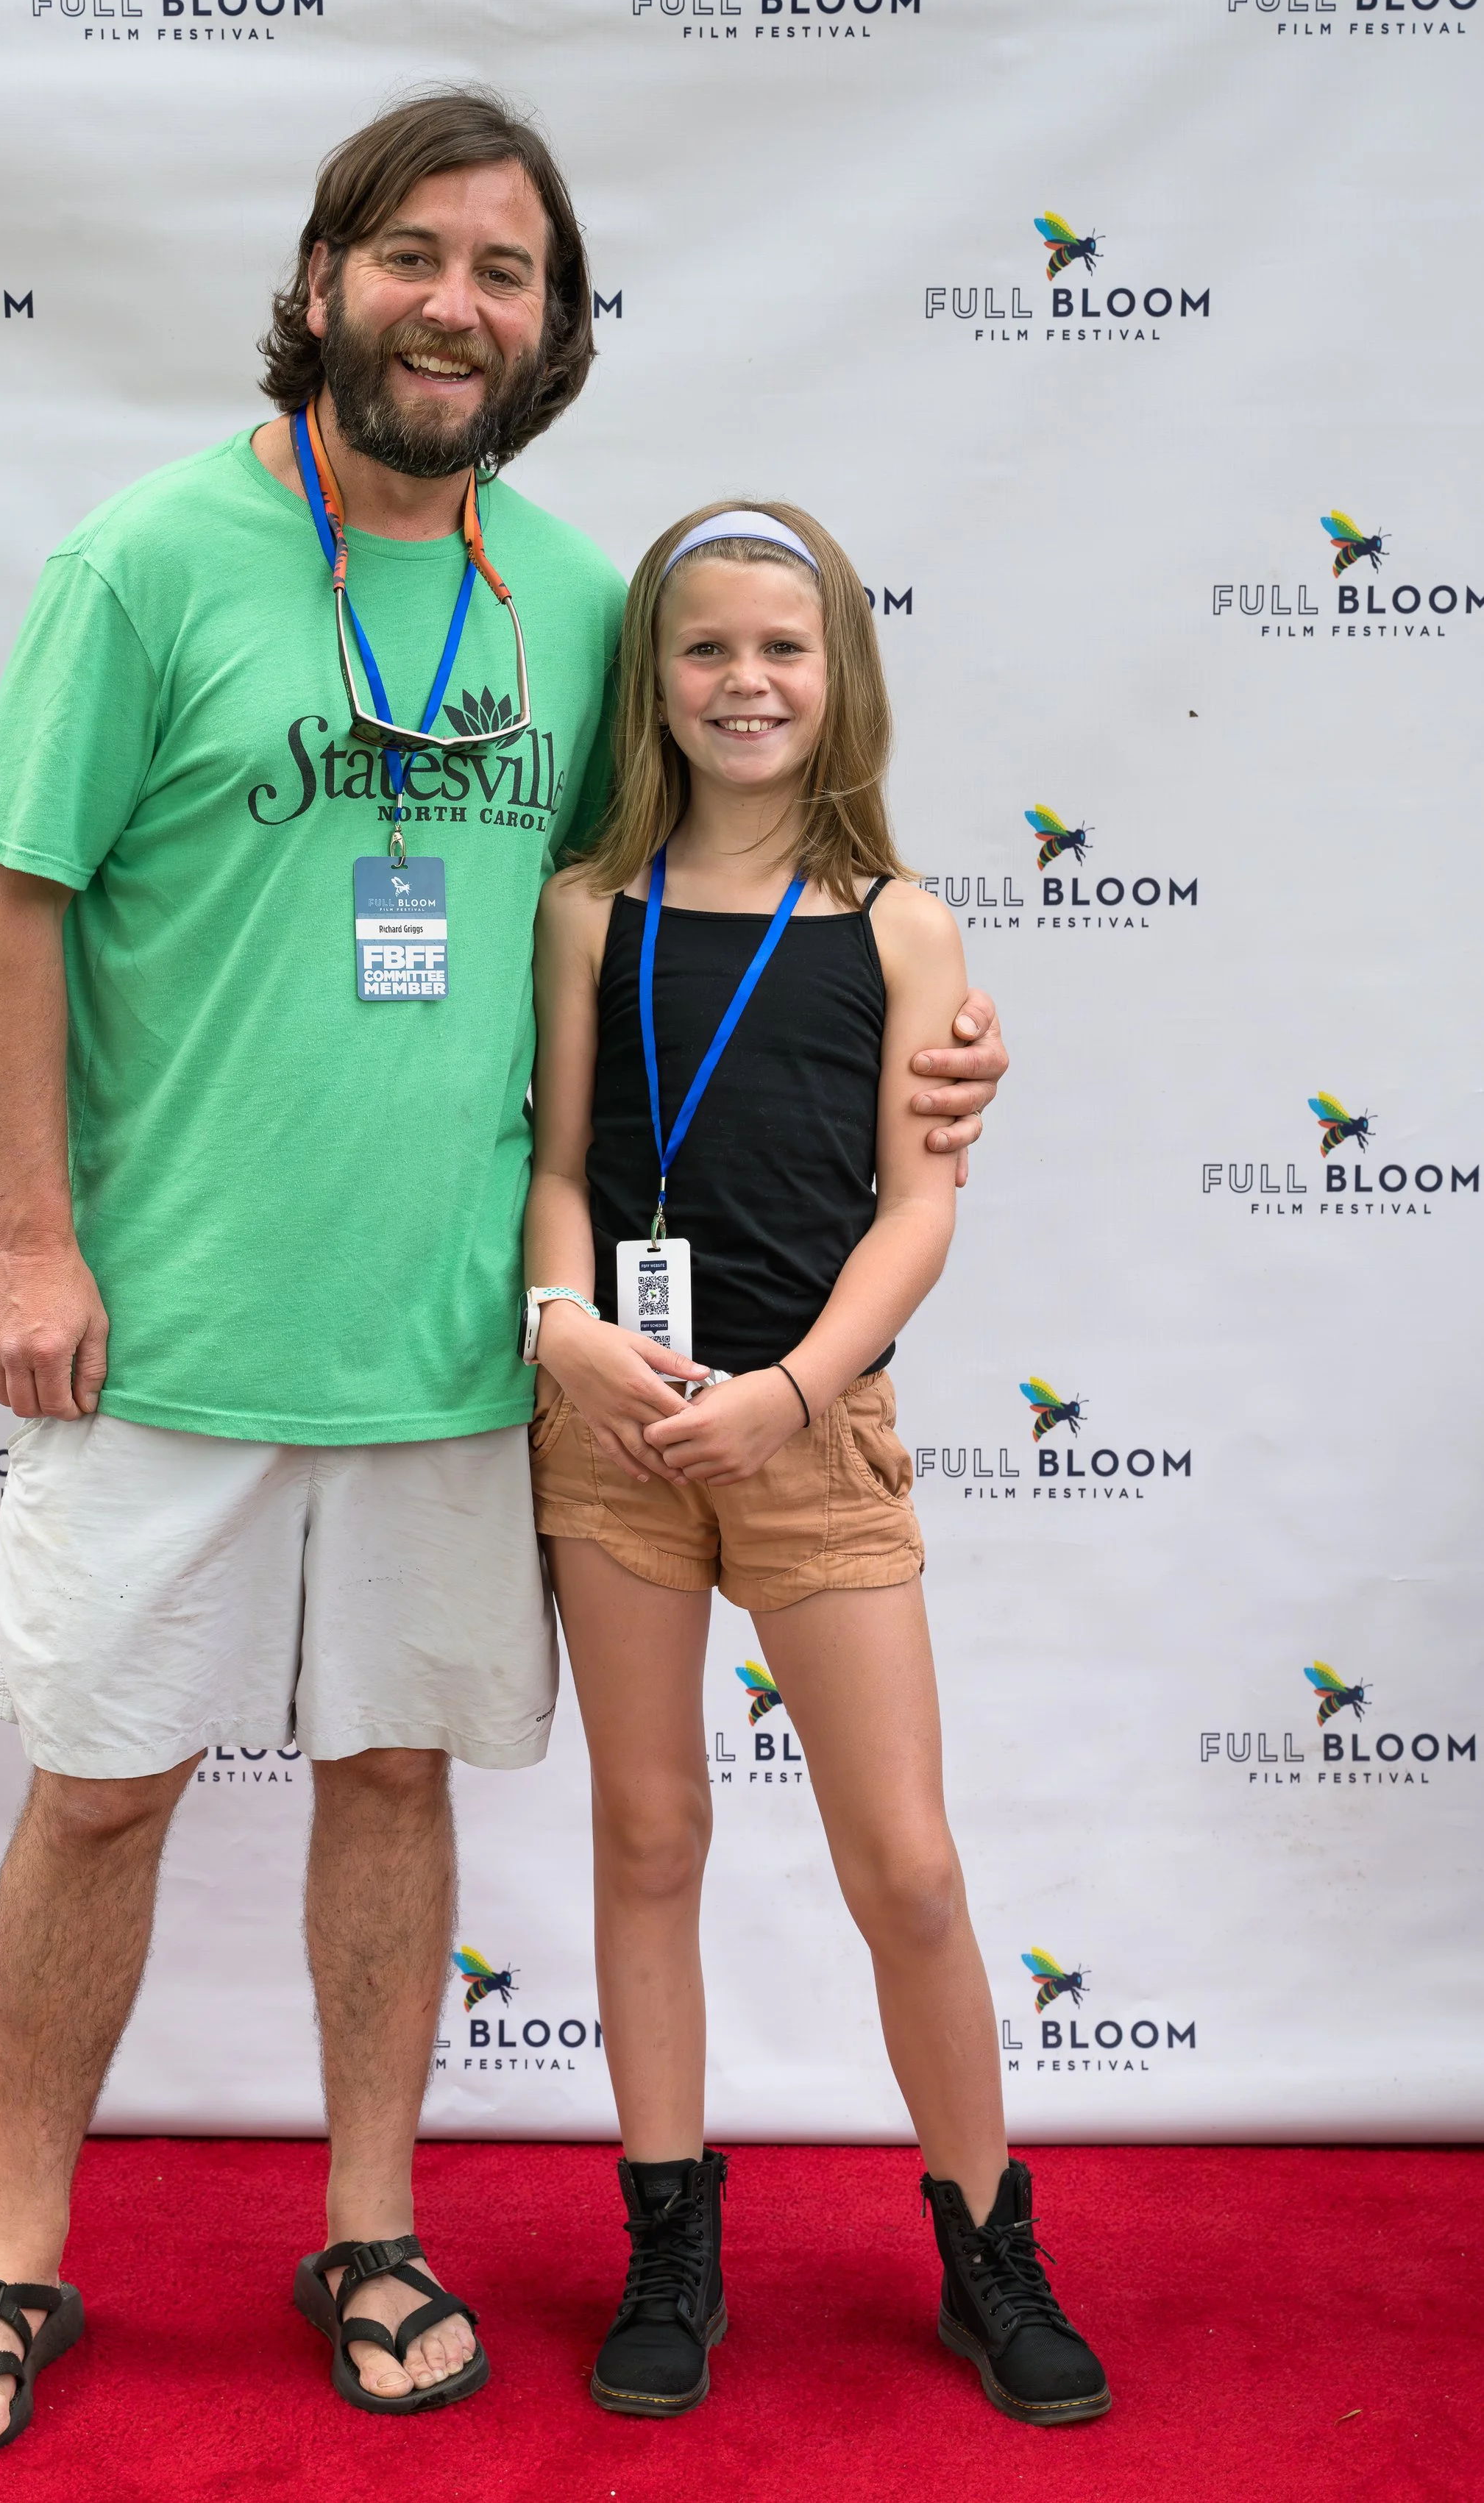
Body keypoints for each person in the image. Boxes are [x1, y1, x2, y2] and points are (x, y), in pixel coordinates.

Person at [0, 92, 1012, 2454]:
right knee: (98, 1790)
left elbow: (715, 851)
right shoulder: (150, 561)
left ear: (552, 326)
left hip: (458, 1352)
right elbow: (3, 895)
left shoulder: (581, 597)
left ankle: (370, 2227)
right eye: (412, 256)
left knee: (392, 1778)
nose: (454, 305)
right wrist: (24, 1233)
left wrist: (930, 1007)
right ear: (319, 283)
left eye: (505, 271)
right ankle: (13, 2257)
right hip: (163, 1326)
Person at [525, 503, 1107, 2425]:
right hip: (612, 1430)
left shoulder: (901, 921)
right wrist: (569, 1332)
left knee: (912, 1866)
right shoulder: (586, 906)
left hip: (810, 1429)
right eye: (704, 649)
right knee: (645, 1832)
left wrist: (788, 1393)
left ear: (839, 673)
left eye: (782, 648)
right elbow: (550, 1170)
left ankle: (983, 2237)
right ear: (654, 679)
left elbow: (917, 1208)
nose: (744, 681)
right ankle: (669, 2238)